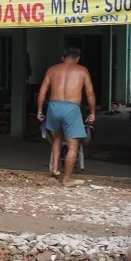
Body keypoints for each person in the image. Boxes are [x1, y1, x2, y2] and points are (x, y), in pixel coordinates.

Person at [37, 46, 96, 187]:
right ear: (78, 58)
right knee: (73, 144)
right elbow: (90, 93)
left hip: (53, 107)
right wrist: (92, 112)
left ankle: (55, 169)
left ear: (63, 57)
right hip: (71, 108)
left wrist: (39, 111)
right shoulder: (82, 70)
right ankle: (67, 179)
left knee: (57, 137)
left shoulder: (52, 70)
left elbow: (42, 92)